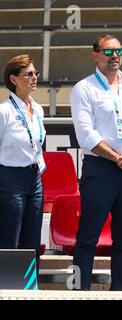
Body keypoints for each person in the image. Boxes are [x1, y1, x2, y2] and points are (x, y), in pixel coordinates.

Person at [70, 34, 122, 290]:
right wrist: (119, 158)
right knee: (87, 238)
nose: (114, 56)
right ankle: (78, 293)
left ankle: (120, 293)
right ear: (95, 54)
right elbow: (86, 135)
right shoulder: (84, 88)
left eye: (119, 51)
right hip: (101, 170)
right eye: (108, 52)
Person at [0, 55, 46, 270]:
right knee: (9, 237)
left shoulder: (38, 109)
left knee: (32, 239)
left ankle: (30, 289)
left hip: (34, 178)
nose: (34, 77)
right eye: (28, 74)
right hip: (9, 178)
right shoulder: (4, 111)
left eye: (35, 73)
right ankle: (5, 288)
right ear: (14, 79)